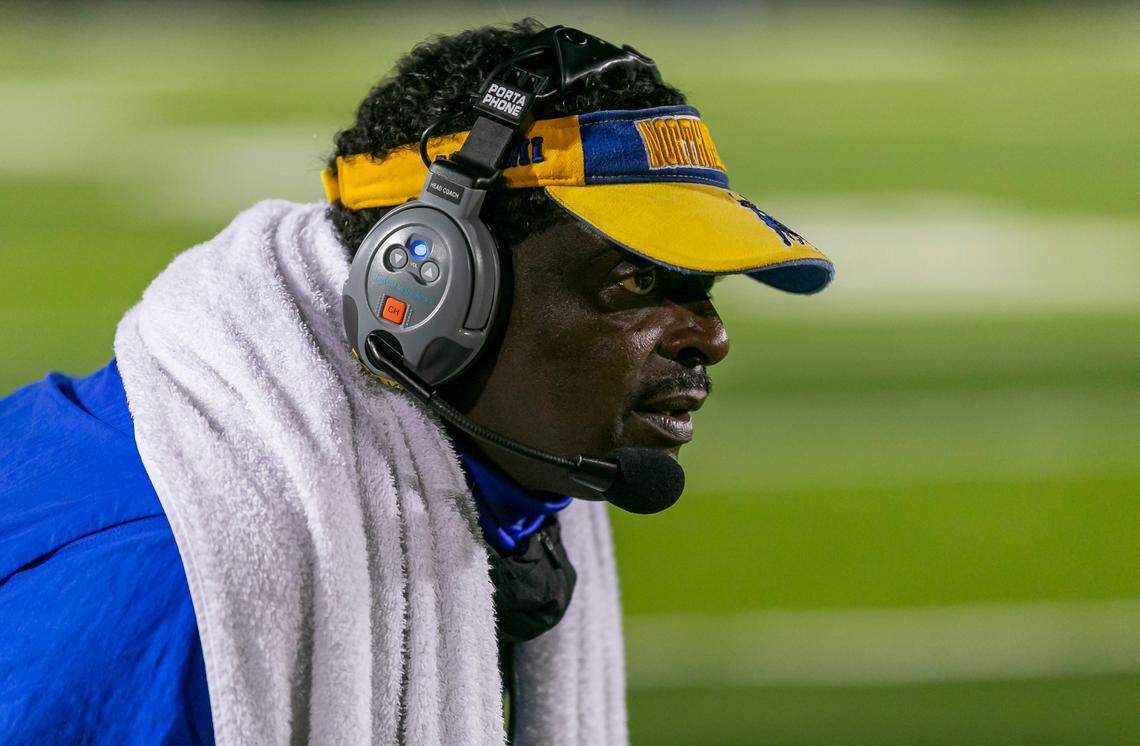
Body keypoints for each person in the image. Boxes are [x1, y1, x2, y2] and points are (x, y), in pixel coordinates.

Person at [0, 19, 832, 745]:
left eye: (705, 288)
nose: (712, 339)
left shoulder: (451, 495)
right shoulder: (163, 592)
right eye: (640, 282)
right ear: (431, 287)